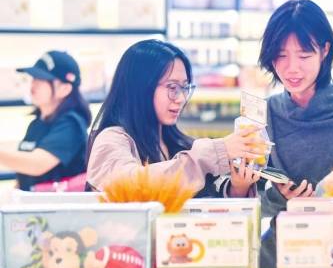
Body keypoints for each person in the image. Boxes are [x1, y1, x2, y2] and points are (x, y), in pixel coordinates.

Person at [258, 0, 333, 268]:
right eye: (281, 55)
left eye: (304, 55)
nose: (292, 68)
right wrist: (280, 196)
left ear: (324, 51)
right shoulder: (267, 112)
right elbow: (252, 201)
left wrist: (324, 200)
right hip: (275, 258)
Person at [86, 39, 265, 197]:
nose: (180, 98)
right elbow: (129, 187)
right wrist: (217, 151)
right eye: (172, 87)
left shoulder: (175, 141)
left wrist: (237, 188)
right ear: (140, 88)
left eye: (185, 88)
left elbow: (194, 204)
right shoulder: (112, 139)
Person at [0, 51, 91, 191]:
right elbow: (25, 174)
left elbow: (36, 165)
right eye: (34, 77)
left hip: (58, 205)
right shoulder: (36, 124)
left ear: (65, 89)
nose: (34, 84)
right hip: (32, 204)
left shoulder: (71, 125)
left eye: (42, 79)